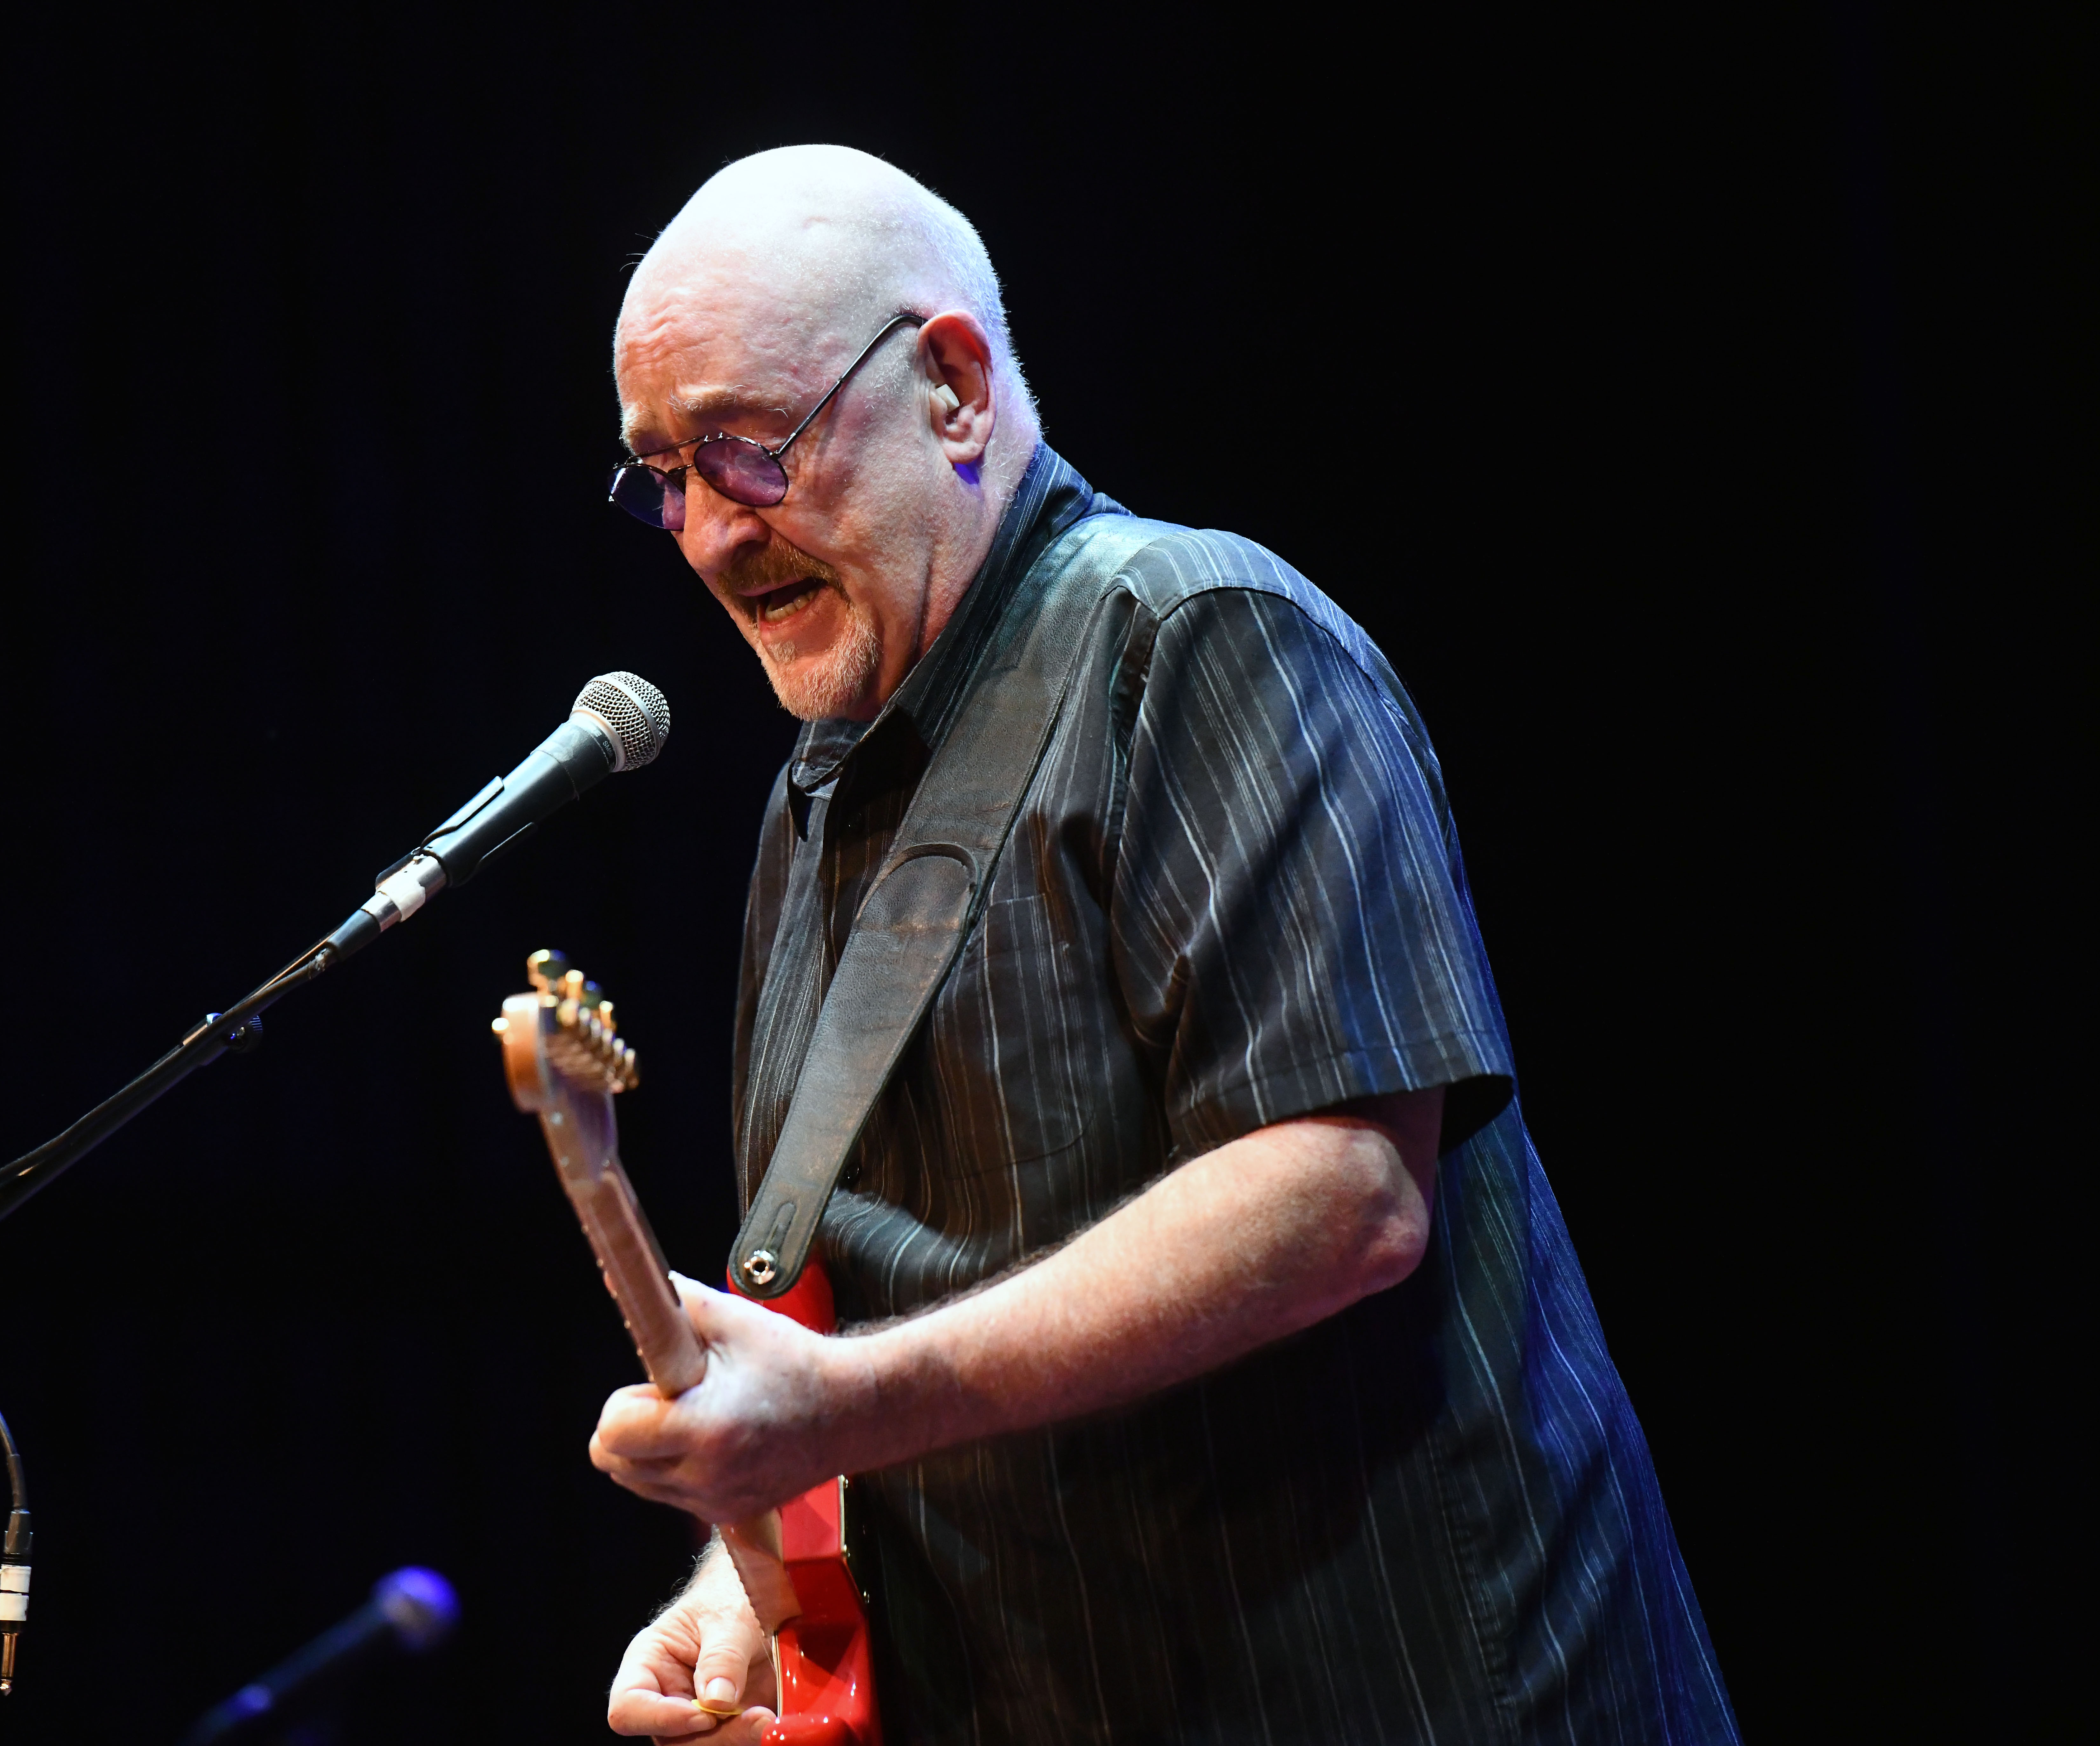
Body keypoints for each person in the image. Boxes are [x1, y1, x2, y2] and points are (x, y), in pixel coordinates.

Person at [588, 145, 1735, 1746]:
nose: (709, 533)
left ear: (954, 388)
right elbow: (836, 1299)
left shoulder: (1196, 633)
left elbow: (1343, 1192)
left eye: (749, 448)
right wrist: (743, 1583)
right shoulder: (818, 794)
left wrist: (842, 1409)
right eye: (662, 473)